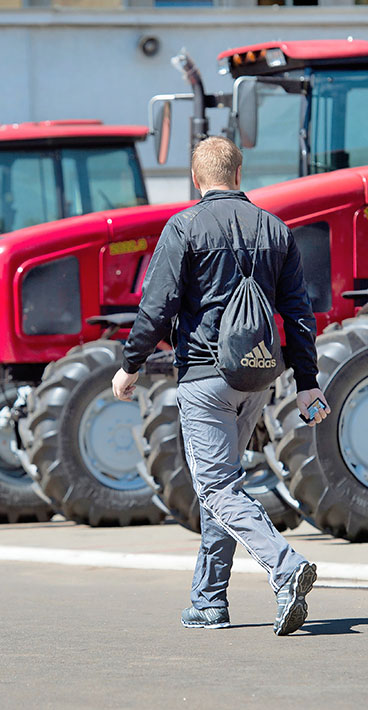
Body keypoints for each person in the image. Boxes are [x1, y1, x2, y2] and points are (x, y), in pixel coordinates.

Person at [111, 136, 330, 636]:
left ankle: (285, 566)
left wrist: (131, 363)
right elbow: (299, 315)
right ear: (238, 173)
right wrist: (307, 383)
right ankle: (209, 600)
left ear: (196, 178)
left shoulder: (183, 227)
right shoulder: (276, 230)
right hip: (256, 378)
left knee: (216, 486)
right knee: (223, 486)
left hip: (205, 376)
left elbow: (158, 305)